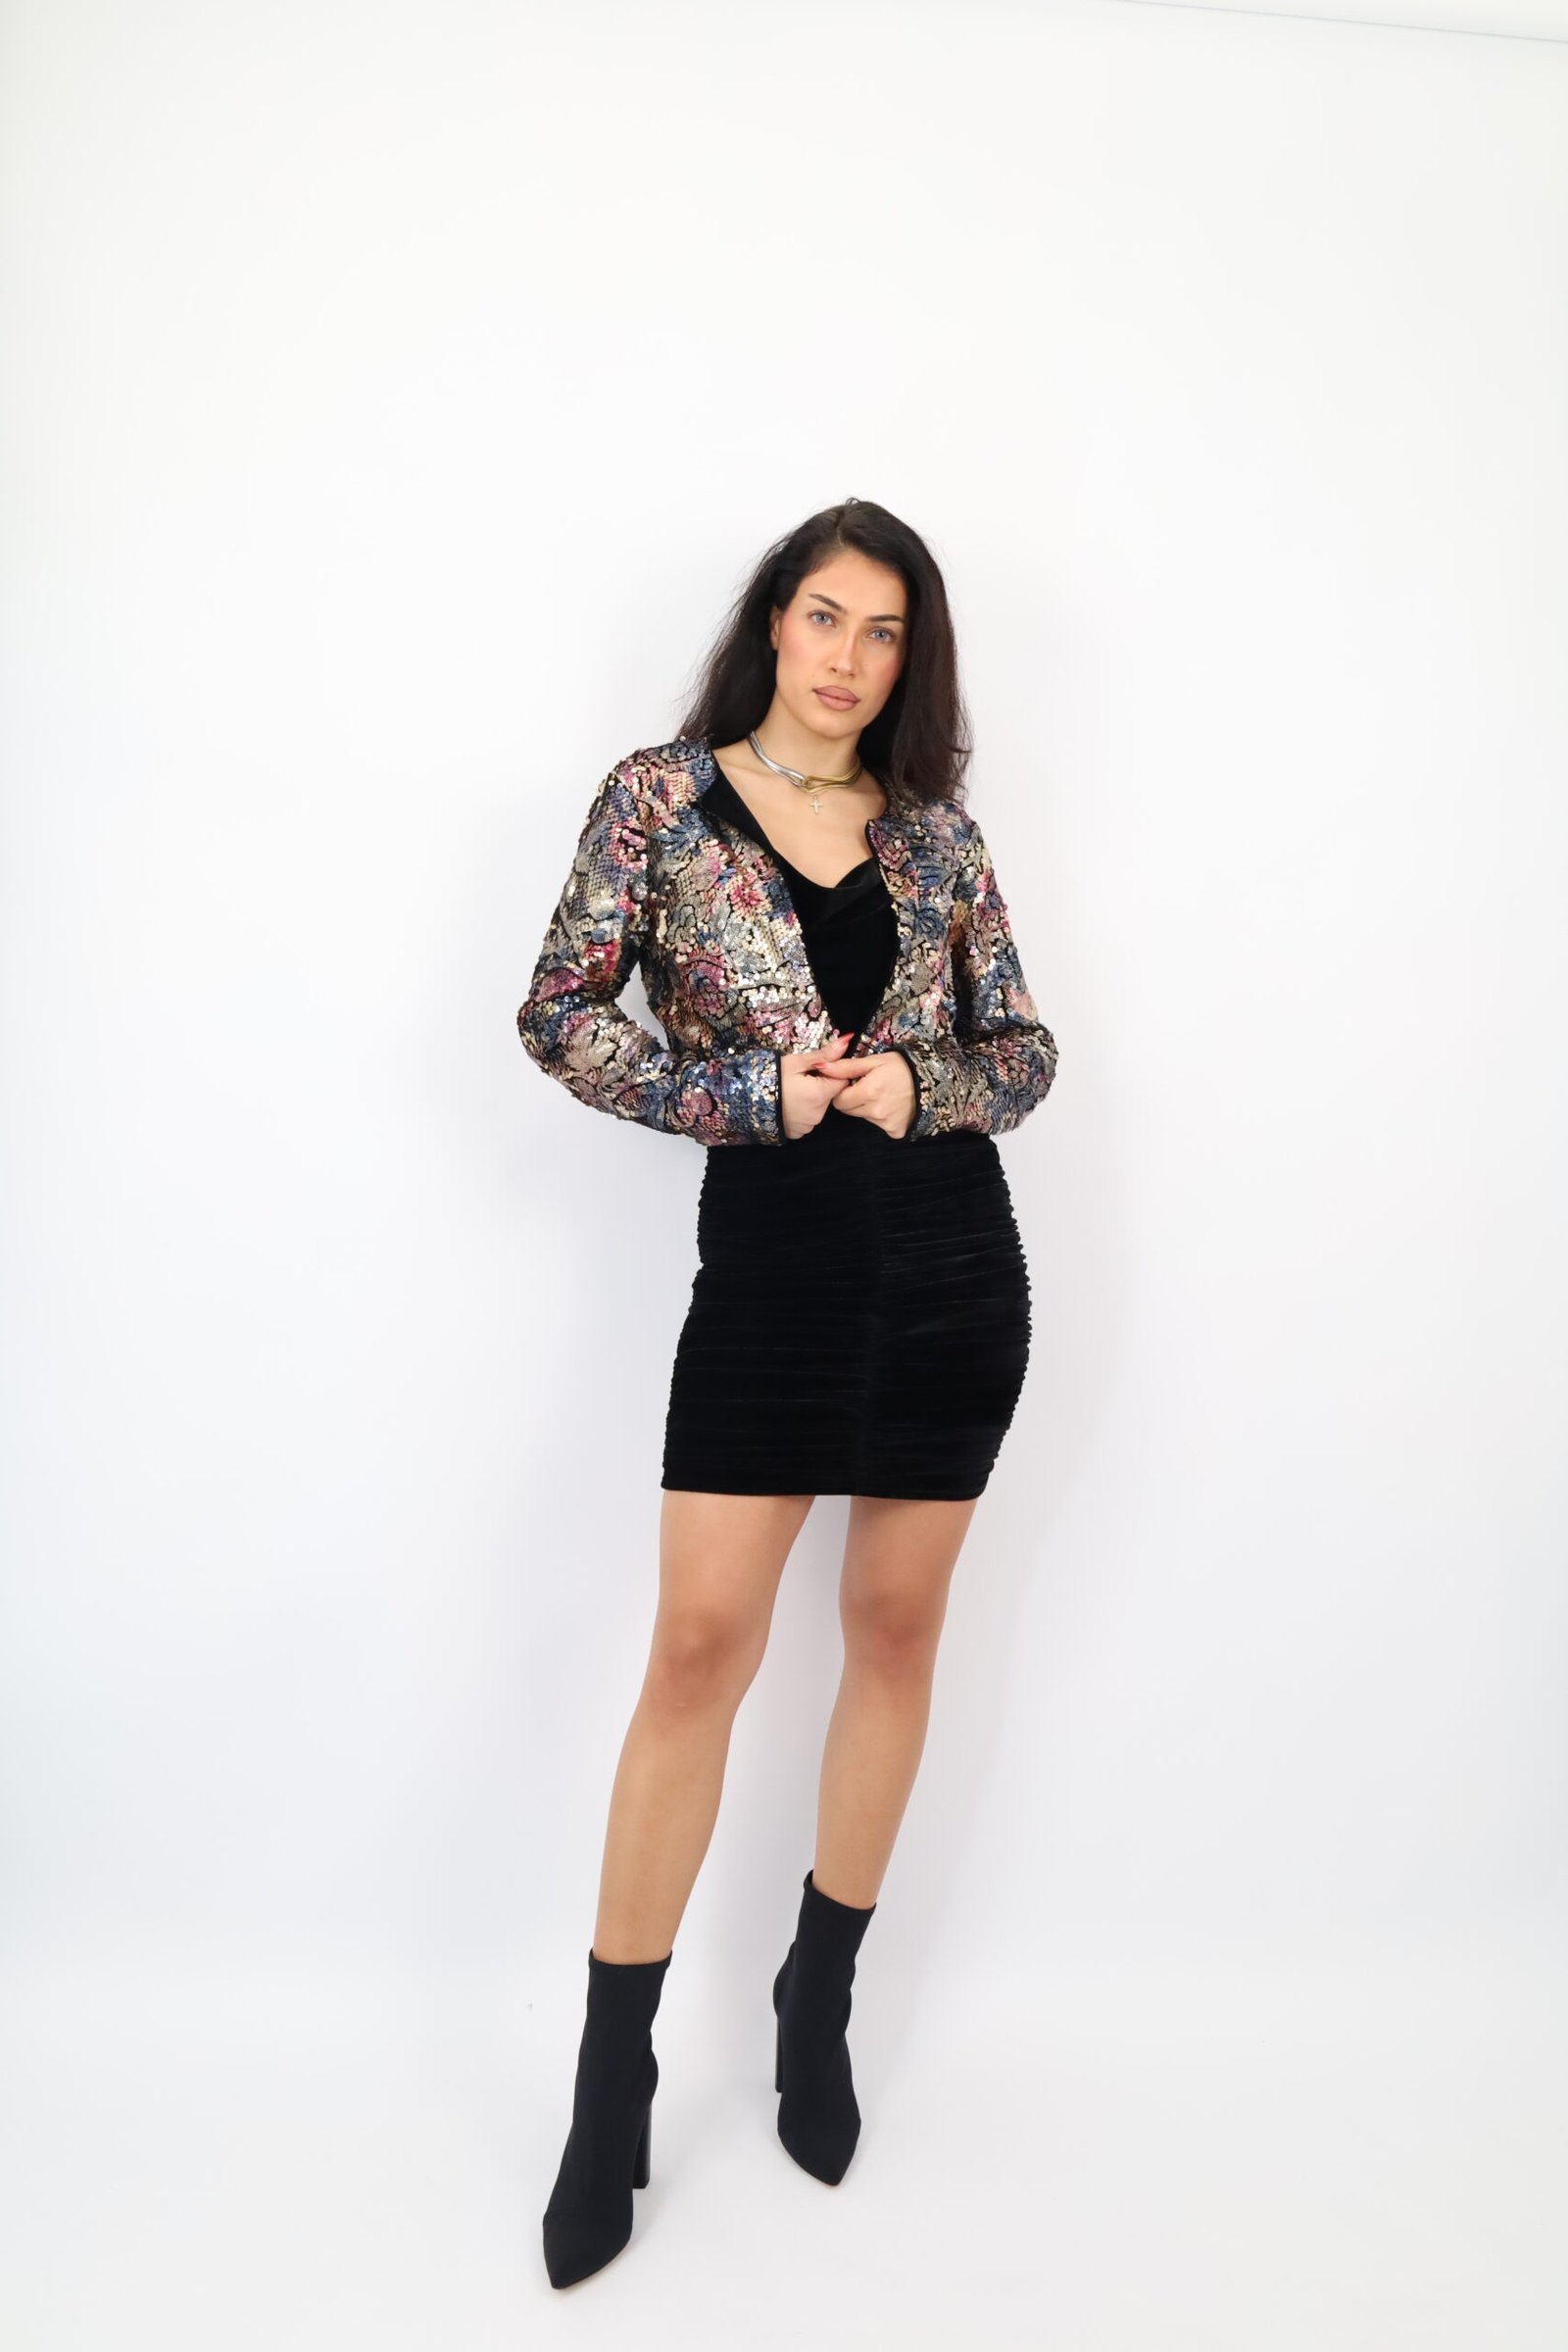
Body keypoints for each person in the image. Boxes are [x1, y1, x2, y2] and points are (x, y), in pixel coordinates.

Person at [516, 497, 1059, 2287]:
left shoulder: (938, 836)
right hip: (771, 1278)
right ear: (773, 621)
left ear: (911, 659)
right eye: (825, 616)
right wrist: (750, 1097)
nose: (848, 657)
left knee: (894, 1631)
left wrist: (923, 1087)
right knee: (698, 1650)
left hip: (951, 1275)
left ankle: (816, 1996)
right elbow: (562, 1015)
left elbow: (1025, 1050)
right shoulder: (659, 802)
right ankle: (611, 2083)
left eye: (884, 631)